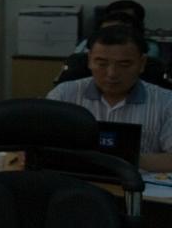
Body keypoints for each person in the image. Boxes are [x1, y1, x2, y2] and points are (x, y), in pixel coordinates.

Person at [46, 26, 172, 171]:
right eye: (102, 63)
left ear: (142, 63)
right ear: (89, 60)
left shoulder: (166, 101)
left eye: (124, 64)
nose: (112, 73)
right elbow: (43, 146)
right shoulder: (63, 94)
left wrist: (123, 159)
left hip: (138, 187)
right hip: (77, 184)